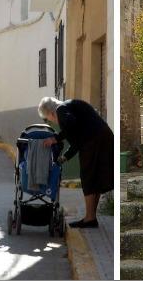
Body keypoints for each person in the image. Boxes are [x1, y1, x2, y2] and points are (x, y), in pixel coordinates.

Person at [38, 97, 113, 228]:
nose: (53, 122)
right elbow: (76, 138)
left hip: (94, 141)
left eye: (49, 119)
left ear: (50, 113)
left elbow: (71, 124)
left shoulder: (61, 110)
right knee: (96, 178)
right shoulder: (70, 106)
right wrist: (65, 157)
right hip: (103, 137)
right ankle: (91, 217)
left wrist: (56, 138)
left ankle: (89, 218)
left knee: (88, 177)